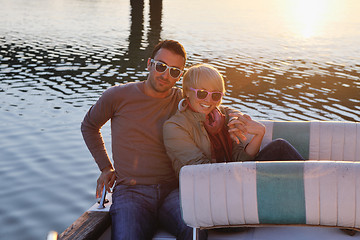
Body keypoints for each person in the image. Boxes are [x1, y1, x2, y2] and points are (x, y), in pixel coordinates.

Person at [81, 40, 203, 239]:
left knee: (196, 231)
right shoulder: (117, 96)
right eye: (161, 66)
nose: (165, 75)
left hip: (173, 191)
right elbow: (89, 126)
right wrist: (105, 167)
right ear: (149, 64)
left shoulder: (183, 102)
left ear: (180, 76)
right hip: (131, 192)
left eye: (174, 71)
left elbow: (214, 110)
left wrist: (237, 118)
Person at [163, 64, 304, 178]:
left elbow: (240, 160)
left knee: (279, 147)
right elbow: (202, 170)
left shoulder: (222, 117)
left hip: (234, 177)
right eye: (202, 93)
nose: (208, 100)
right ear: (187, 91)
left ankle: (314, 189)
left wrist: (259, 135)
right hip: (206, 187)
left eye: (216, 95)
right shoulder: (175, 127)